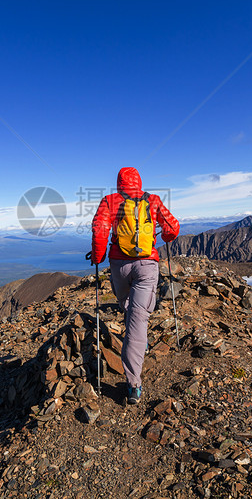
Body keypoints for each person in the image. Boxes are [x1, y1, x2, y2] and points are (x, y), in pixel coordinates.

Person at [90, 167, 180, 404]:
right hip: (147, 265)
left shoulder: (110, 201)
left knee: (128, 308)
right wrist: (166, 237)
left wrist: (98, 257)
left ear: (119, 182)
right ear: (139, 181)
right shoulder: (152, 200)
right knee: (137, 319)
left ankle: (134, 370)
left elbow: (100, 230)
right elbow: (172, 228)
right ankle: (134, 377)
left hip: (119, 265)